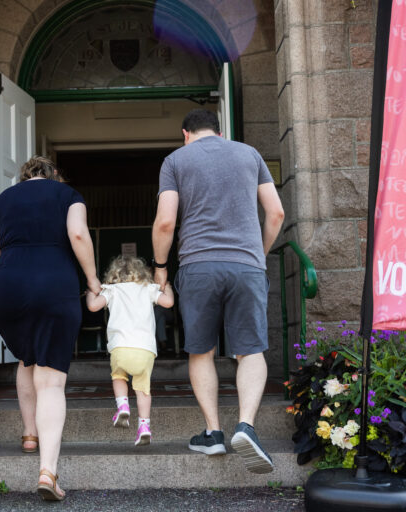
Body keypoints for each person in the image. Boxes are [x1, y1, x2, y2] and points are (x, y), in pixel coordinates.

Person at [151, 109, 285, 474]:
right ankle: (246, 425)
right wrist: (258, 253)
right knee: (250, 350)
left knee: (201, 350)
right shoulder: (248, 154)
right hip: (246, 265)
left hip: (198, 266)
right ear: (220, 131)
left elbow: (165, 221)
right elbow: (275, 213)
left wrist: (161, 267)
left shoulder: (175, 160)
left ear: (185, 133)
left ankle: (213, 433)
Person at [0, 156, 101, 501]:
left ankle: (29, 433)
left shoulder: (3, 200)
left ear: (24, 177)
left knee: (27, 358)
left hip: (7, 288)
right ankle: (47, 470)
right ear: (54, 176)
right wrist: (93, 281)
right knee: (50, 379)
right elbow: (77, 233)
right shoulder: (68, 195)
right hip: (54, 286)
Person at [86, 256, 175, 446]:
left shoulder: (112, 290)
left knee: (119, 376)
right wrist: (166, 286)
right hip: (145, 350)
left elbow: (93, 306)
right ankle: (144, 426)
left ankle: (123, 406)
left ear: (114, 275)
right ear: (142, 273)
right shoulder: (148, 289)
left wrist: (90, 292)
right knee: (143, 389)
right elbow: (168, 303)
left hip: (120, 347)